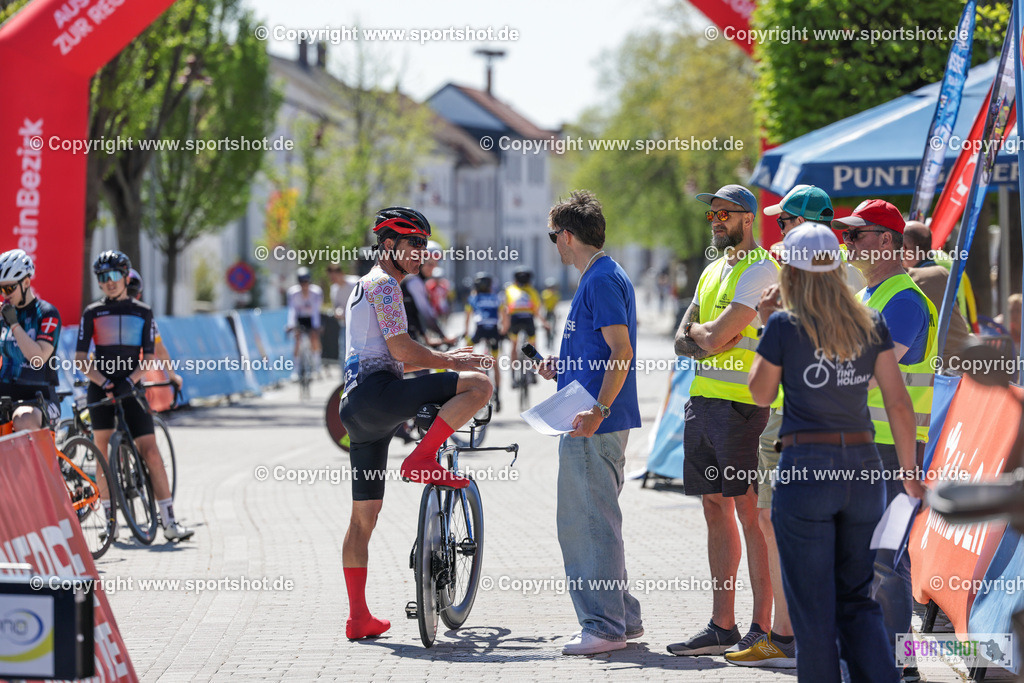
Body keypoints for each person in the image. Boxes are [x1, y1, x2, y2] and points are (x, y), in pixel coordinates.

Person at [748, 222, 926, 683]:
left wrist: (768, 324)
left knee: (812, 611)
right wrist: (909, 473)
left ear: (792, 273)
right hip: (864, 468)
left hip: (808, 469)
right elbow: (898, 402)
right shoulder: (868, 321)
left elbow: (761, 393)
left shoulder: (786, 324)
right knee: (857, 600)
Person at [338, 207, 492, 641]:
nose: (420, 253)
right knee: (478, 385)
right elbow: (402, 350)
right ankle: (423, 458)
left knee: (362, 519)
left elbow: (388, 355)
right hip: (378, 394)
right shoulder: (385, 284)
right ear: (388, 246)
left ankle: (358, 618)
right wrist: (453, 360)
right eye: (413, 244)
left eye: (423, 245)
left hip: (355, 409)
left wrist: (439, 366)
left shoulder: (361, 286)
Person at [727, 184, 836, 668]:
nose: (780, 230)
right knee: (775, 524)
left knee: (792, 529)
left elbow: (762, 386)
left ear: (806, 226)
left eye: (786, 222)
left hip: (805, 424)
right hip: (805, 424)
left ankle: (798, 638)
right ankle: (788, 635)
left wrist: (772, 322)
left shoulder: (819, 278)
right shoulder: (838, 276)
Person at [670, 184, 776, 657]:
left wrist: (706, 336)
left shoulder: (761, 269)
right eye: (711, 213)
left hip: (743, 408)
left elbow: (713, 338)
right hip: (703, 403)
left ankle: (763, 626)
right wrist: (705, 336)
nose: (715, 219)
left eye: (724, 213)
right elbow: (685, 339)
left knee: (750, 515)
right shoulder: (713, 269)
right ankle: (722, 624)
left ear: (747, 218)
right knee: (714, 509)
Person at [834, 200, 937, 683]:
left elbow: (870, 375)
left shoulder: (903, 299)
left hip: (893, 451)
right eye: (847, 234)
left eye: (858, 234)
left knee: (883, 560)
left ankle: (901, 665)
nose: (848, 242)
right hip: (865, 444)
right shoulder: (869, 296)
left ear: (889, 242)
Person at [536, 189, 643, 655]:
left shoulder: (599, 280)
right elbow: (602, 352)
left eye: (552, 236)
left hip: (594, 423)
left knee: (586, 523)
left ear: (567, 235)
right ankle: (623, 617)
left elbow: (622, 350)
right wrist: (563, 367)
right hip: (592, 418)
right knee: (599, 519)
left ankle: (603, 626)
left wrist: (598, 410)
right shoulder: (600, 276)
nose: (552, 245)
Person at [76, 250, 193, 542]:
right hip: (101, 386)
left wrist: (130, 380)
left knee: (151, 451)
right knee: (102, 454)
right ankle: (110, 522)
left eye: (114, 275)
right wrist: (103, 381)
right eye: (102, 277)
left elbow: (150, 355)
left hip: (132, 386)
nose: (109, 282)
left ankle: (169, 521)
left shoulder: (142, 310)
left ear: (126, 277)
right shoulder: (92, 312)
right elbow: (80, 357)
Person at [0, 249, 62, 431]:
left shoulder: (47, 313)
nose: (5, 294)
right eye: (1, 289)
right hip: (5, 391)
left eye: (9, 288)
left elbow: (38, 358)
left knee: (23, 420)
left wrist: (14, 324)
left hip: (38, 396)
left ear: (26, 282)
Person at [901, 221, 972, 368]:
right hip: (964, 360)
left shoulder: (910, 280)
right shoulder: (942, 271)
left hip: (942, 369)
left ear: (904, 248)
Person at [125, 269, 183, 391]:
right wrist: (172, 376)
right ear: (139, 295)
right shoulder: (143, 317)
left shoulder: (99, 312)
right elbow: (160, 351)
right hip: (130, 378)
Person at [464, 272, 505, 411]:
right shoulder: (496, 298)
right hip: (494, 330)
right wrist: (503, 331)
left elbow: (468, 317)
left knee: (466, 351)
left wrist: (465, 333)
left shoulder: (473, 298)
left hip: (480, 330)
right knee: (495, 362)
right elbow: (504, 315)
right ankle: (498, 395)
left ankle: (469, 372)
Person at [502, 266, 548, 382]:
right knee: (533, 345)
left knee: (514, 345)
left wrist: (504, 326)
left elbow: (505, 310)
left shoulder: (509, 289)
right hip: (528, 319)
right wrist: (545, 323)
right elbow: (537, 311)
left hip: (515, 320)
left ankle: (513, 375)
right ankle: (534, 372)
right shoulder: (532, 291)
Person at [286, 267, 324, 374]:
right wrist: (291, 324)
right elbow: (292, 310)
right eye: (302, 282)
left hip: (312, 318)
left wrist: (316, 327)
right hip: (300, 318)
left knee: (314, 338)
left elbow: (317, 310)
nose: (304, 285)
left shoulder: (316, 292)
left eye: (306, 282)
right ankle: (296, 369)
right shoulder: (293, 293)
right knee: (297, 339)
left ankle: (317, 366)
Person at [328, 263, 359, 366]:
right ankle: (345, 379)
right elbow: (336, 306)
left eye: (334, 276)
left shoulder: (355, 282)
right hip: (345, 326)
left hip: (359, 325)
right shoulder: (334, 289)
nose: (333, 279)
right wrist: (337, 312)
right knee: (344, 353)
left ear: (340, 273)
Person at [541, 276, 560, 351]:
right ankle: (548, 341)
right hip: (548, 312)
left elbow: (556, 304)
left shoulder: (546, 293)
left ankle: (550, 341)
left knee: (552, 327)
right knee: (548, 328)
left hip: (551, 312)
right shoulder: (549, 294)